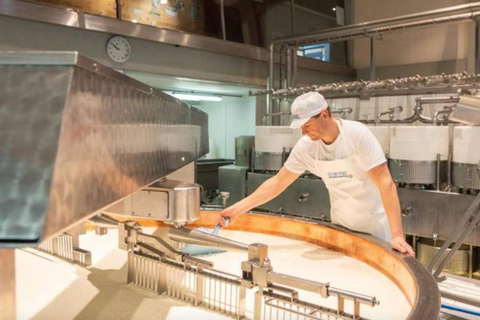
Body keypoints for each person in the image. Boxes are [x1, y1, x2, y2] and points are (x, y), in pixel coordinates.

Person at [218, 92, 415, 256]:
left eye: (307, 125)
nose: (303, 133)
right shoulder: (307, 147)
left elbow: (385, 183)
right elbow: (277, 183)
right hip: (341, 227)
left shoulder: (357, 135)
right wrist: (237, 210)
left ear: (324, 114)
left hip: (376, 229)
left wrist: (397, 234)